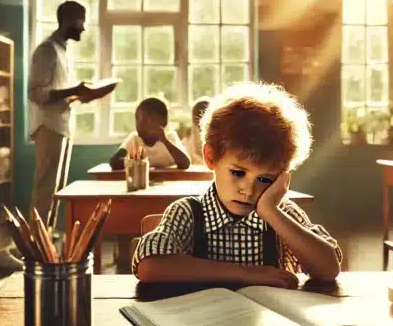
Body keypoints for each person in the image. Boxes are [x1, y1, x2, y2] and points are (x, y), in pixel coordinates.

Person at [132, 82, 343, 286]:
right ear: (211, 157)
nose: (249, 190)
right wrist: (247, 274)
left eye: (265, 179)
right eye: (238, 172)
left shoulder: (282, 213)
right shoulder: (188, 212)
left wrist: (271, 211)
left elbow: (328, 269)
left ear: (282, 178)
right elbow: (149, 266)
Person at [0, 1, 112, 270]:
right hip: (49, 127)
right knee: (45, 189)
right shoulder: (46, 50)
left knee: (55, 192)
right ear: (68, 19)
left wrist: (79, 94)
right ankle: (32, 248)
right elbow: (35, 93)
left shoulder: (61, 50)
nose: (84, 26)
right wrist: (75, 90)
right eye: (81, 20)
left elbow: (56, 92)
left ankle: (42, 244)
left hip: (61, 124)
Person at [109, 97, 191, 170]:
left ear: (162, 122)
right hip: (140, 182)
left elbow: (185, 164)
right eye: (136, 119)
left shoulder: (170, 137)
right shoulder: (134, 139)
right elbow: (114, 162)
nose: (138, 124)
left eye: (146, 120)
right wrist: (136, 162)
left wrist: (165, 141)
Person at [182, 97, 210, 165]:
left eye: (202, 115)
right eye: (196, 115)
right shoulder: (188, 135)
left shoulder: (218, 134)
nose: (199, 119)